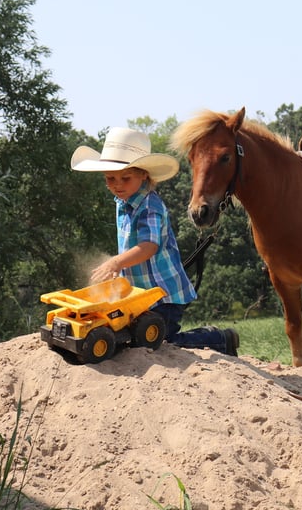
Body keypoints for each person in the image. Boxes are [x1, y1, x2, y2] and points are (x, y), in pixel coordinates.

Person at [70, 126, 239, 356]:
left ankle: (219, 340)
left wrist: (116, 263)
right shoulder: (122, 202)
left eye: (125, 178)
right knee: (134, 339)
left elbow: (149, 247)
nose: (117, 184)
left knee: (156, 343)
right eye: (110, 178)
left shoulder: (150, 205)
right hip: (140, 296)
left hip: (164, 295)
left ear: (144, 175)